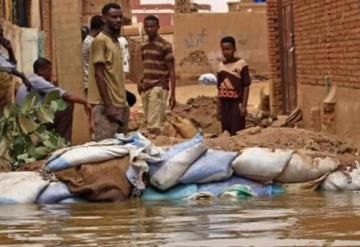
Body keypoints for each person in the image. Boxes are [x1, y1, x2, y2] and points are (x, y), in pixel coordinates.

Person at [15, 58, 91, 142]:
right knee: (67, 105)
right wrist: (85, 102)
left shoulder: (30, 79)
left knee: (52, 108)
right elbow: (66, 95)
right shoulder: (38, 81)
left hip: (24, 121)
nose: (51, 73)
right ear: (41, 70)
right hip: (31, 122)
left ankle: (50, 141)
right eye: (49, 70)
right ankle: (63, 142)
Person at [88, 3, 129, 141]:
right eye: (113, 17)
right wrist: (109, 106)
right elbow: (99, 74)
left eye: (120, 17)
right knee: (105, 147)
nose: (118, 20)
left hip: (120, 104)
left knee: (120, 146)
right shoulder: (100, 41)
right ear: (104, 19)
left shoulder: (115, 41)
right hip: (106, 106)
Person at [139, 15, 176, 134]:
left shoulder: (165, 45)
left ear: (158, 27)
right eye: (147, 27)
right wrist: (140, 82)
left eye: (152, 26)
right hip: (146, 88)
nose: (149, 29)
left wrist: (173, 94)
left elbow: (171, 71)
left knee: (153, 126)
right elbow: (143, 66)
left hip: (159, 87)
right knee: (151, 120)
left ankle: (155, 148)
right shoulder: (143, 45)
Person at [217, 36, 251, 135]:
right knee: (226, 131)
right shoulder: (220, 66)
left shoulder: (241, 64)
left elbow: (246, 86)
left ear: (234, 49)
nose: (225, 52)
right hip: (224, 103)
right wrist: (218, 106)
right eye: (223, 49)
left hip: (236, 103)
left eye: (228, 49)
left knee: (237, 130)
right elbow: (219, 88)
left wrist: (244, 105)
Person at [0, 24, 32, 115]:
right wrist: (22, 76)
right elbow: (7, 67)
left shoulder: (1, 53)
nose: (2, 37)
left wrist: (10, 49)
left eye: (2, 33)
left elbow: (12, 65)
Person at [82, 15, 104, 95]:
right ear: (101, 27)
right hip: (91, 83)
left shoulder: (89, 40)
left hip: (89, 82)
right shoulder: (93, 43)